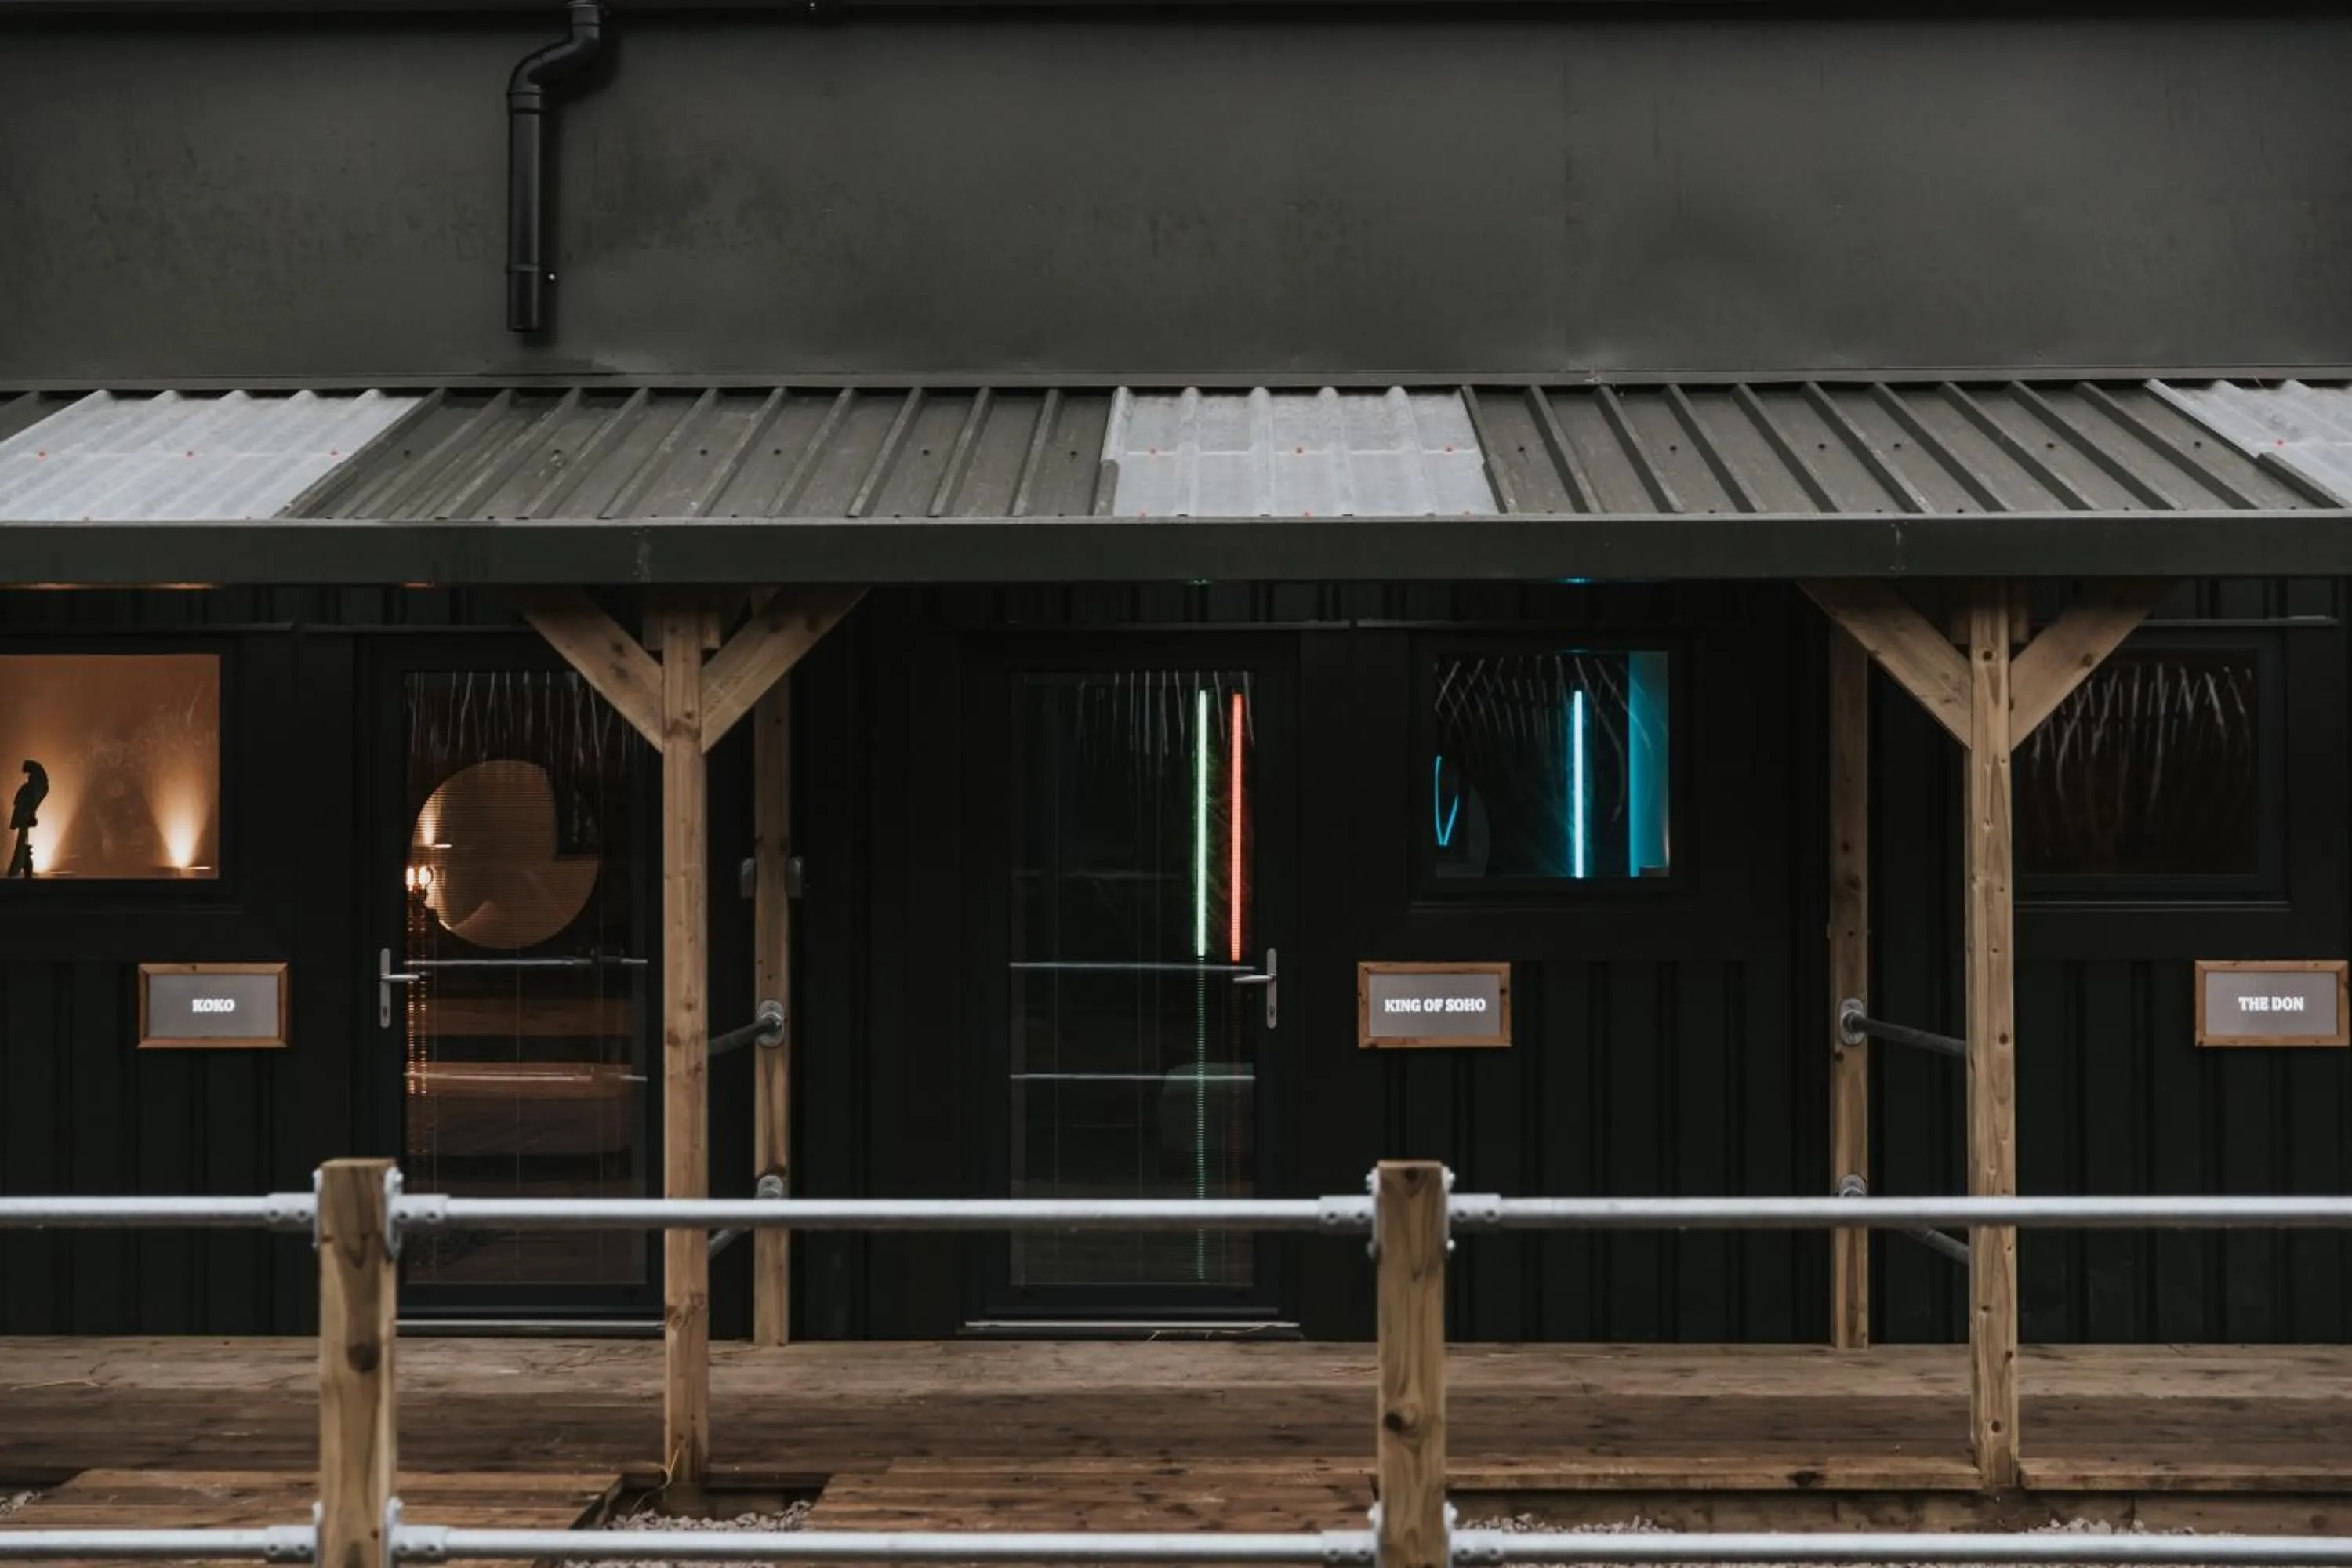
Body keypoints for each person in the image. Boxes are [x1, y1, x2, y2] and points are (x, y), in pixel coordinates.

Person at [9, 760, 48, 879]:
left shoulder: (29, 790)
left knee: (22, 842)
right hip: (24, 819)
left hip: (24, 819)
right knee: (22, 841)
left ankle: (20, 865)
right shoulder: (28, 790)